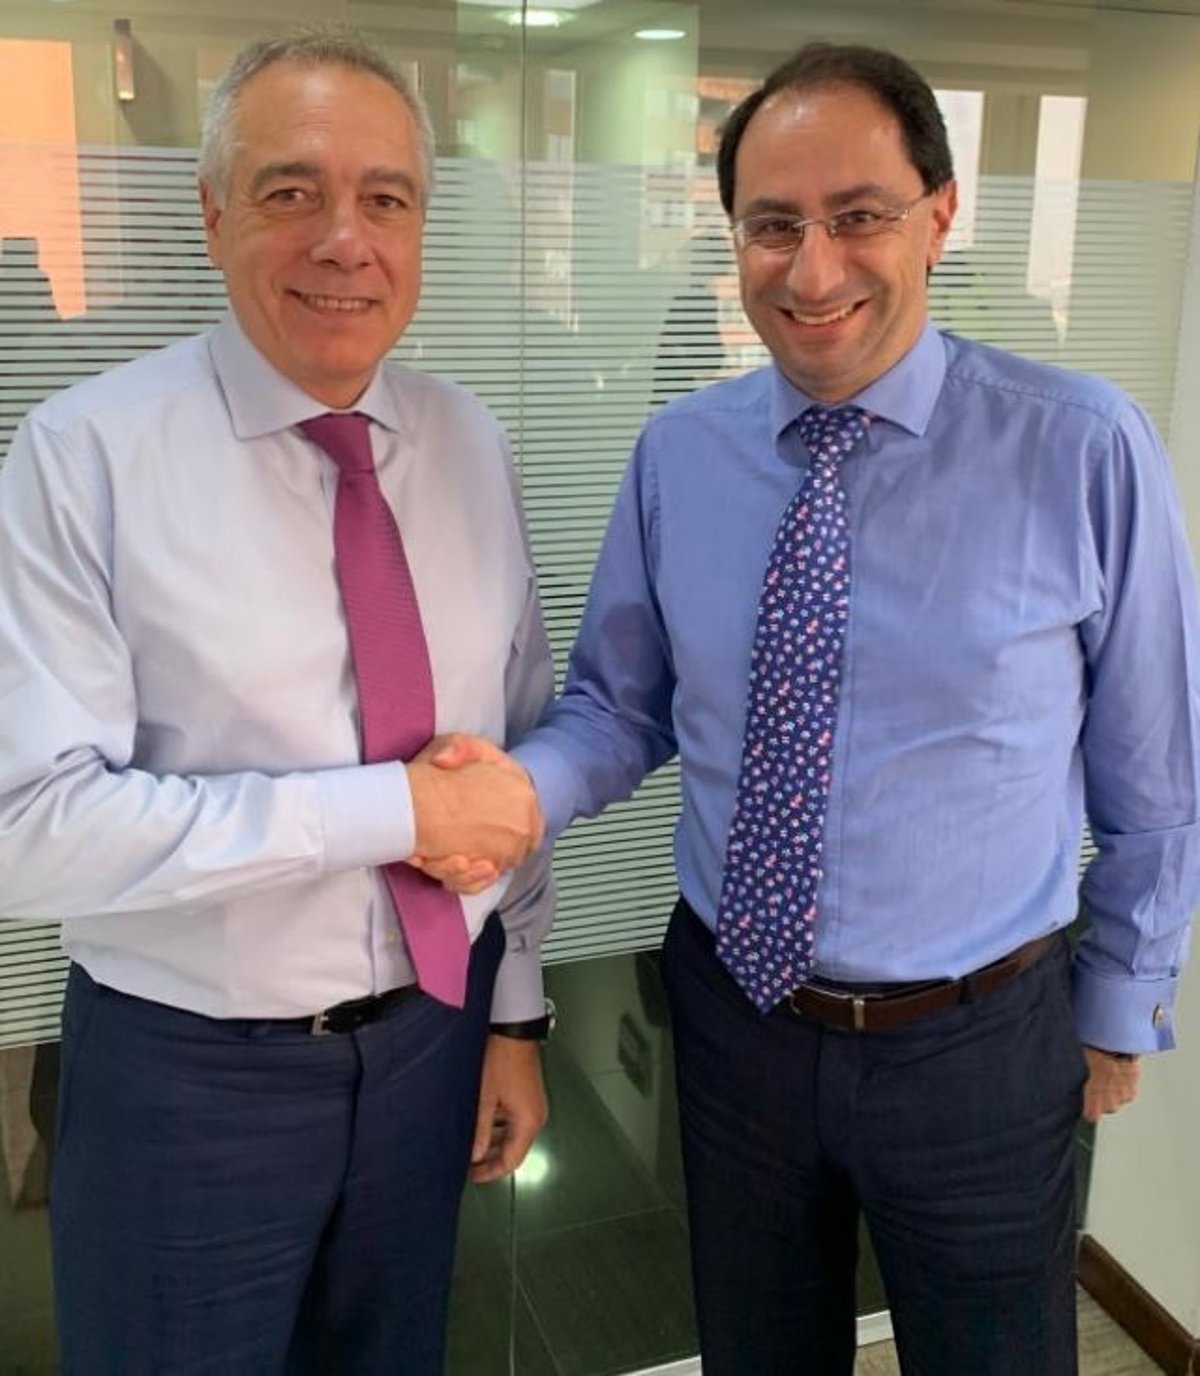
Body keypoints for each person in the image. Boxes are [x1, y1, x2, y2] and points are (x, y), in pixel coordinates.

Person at [422, 42, 1200, 1376]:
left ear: (939, 215)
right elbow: (621, 703)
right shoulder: (681, 455)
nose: (813, 268)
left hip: (979, 1040)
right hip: (739, 1021)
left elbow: (1156, 766)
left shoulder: (1080, 448)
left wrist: (1122, 998)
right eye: (773, 225)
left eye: (858, 216)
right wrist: (512, 792)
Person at [0, 30, 552, 1375]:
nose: (343, 241)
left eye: (385, 199)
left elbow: (512, 758)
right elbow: (31, 829)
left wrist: (514, 1010)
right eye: (291, 191)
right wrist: (389, 812)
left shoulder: (470, 442)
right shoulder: (84, 456)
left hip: (433, 1043)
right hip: (188, 1080)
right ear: (212, 214)